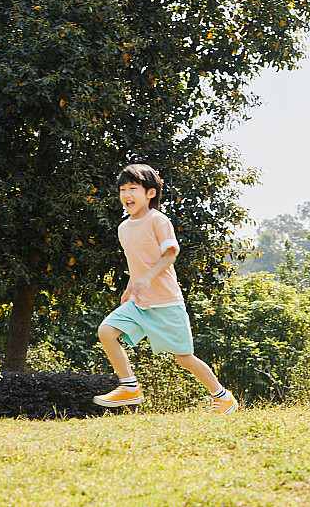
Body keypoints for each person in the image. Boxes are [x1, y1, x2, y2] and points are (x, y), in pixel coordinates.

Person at [93, 163, 239, 414]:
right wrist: (130, 287)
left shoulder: (157, 220)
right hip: (139, 302)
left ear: (150, 193)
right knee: (106, 331)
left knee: (184, 357)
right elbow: (137, 263)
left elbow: (171, 253)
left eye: (133, 188)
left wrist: (148, 278)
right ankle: (129, 386)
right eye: (122, 189)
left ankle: (222, 396)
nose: (126, 195)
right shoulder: (123, 228)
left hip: (166, 302)